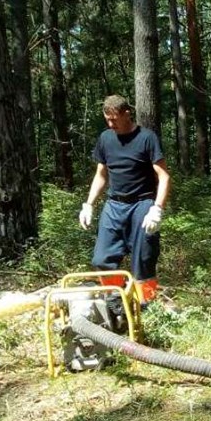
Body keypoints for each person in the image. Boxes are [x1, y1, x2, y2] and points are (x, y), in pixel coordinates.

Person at [80, 95, 170, 305]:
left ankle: (146, 308)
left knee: (143, 262)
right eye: (107, 120)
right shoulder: (106, 138)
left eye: (115, 120)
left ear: (126, 114)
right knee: (102, 259)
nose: (111, 124)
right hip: (114, 205)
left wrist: (157, 209)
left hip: (142, 204)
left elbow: (164, 177)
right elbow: (101, 174)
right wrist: (89, 204)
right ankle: (117, 304)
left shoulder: (147, 138)